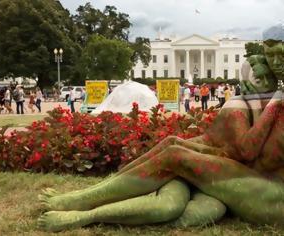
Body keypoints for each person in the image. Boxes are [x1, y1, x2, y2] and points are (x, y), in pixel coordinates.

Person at [38, 31, 284, 232]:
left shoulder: (272, 101)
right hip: (250, 176)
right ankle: (93, 195)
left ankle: (85, 206)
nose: (274, 64)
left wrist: (271, 101)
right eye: (270, 56)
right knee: (178, 160)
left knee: (177, 162)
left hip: (270, 192)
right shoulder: (261, 100)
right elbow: (240, 147)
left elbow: (249, 151)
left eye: (279, 56)